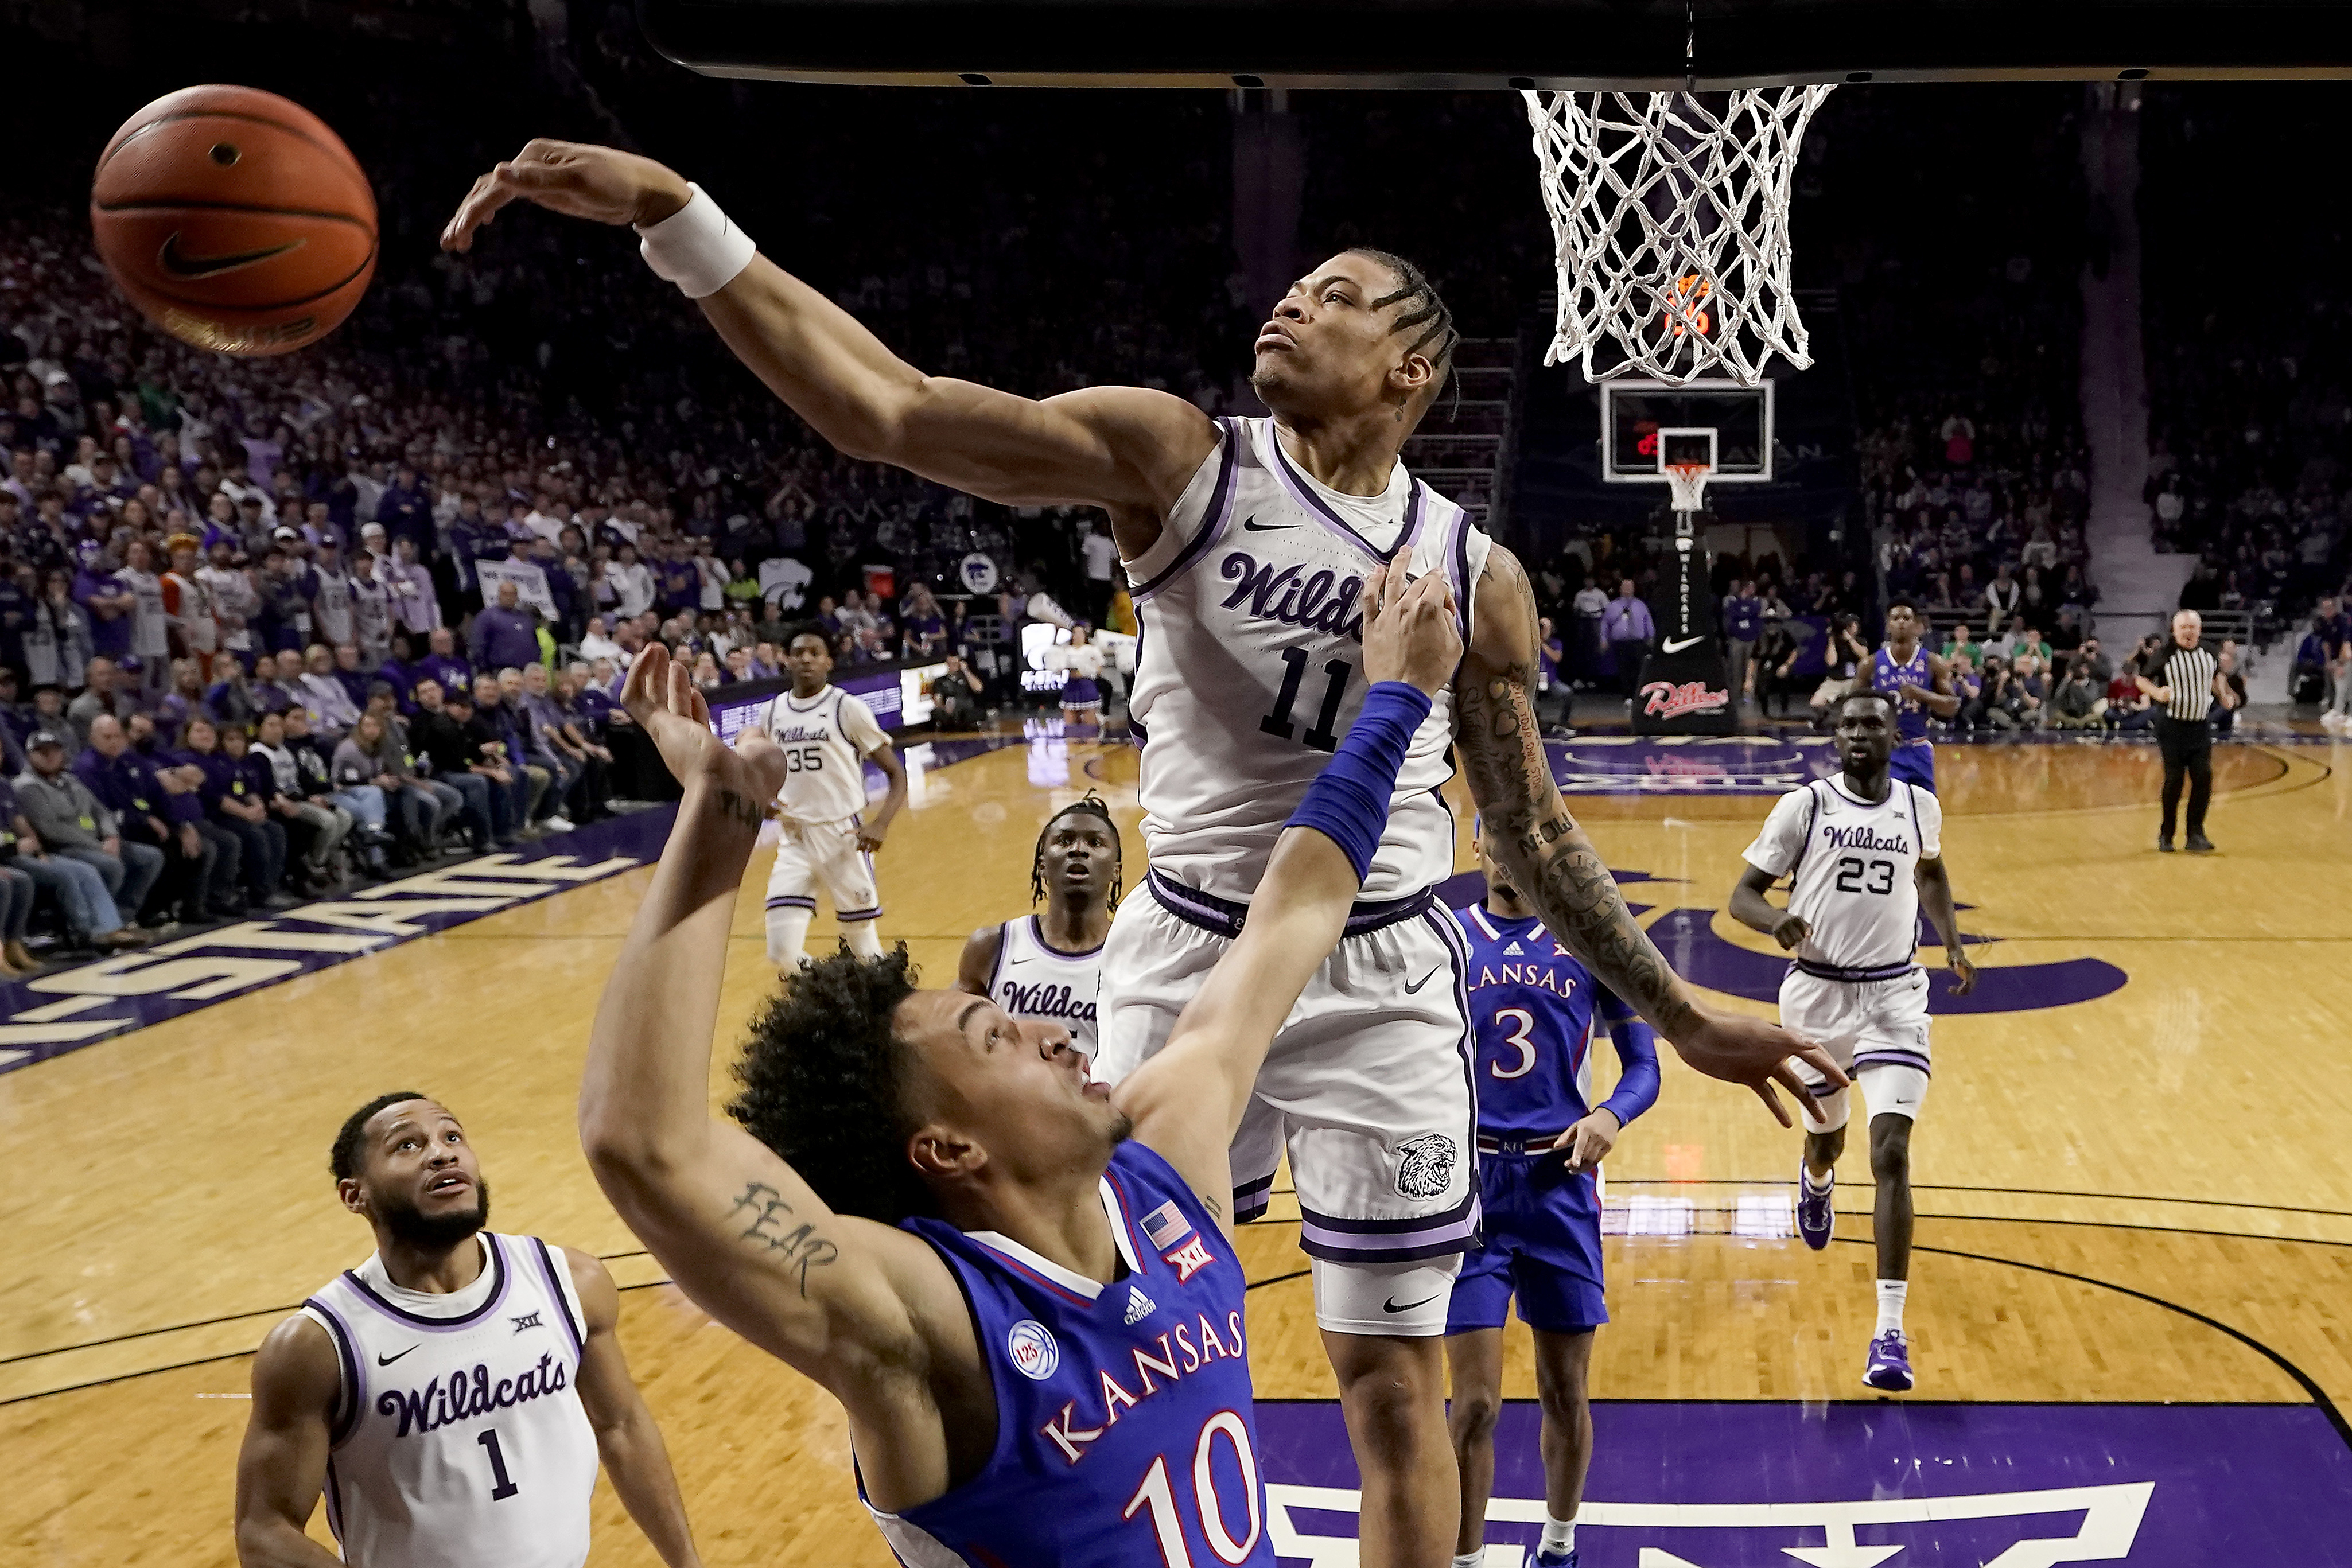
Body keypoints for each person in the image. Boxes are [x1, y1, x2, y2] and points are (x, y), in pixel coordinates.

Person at [447, 148, 1830, 1565]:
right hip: (1193, 958)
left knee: (1398, 1389)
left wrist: (1680, 1014)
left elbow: (1529, 833)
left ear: (1411, 370)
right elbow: (890, 409)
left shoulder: (1474, 574)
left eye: (1334, 298)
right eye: (1290, 288)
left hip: (1382, 964)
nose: (1287, 307)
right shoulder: (1180, 457)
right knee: (1102, 1332)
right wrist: (680, 222)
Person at [571, 570, 1457, 1567]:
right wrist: (721, 818)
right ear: (944, 1144)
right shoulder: (929, 1322)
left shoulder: (1164, 1165)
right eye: (995, 1036)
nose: (1048, 1031)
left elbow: (1290, 912)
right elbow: (640, 1139)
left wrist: (1398, 698)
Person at [232, 1094, 703, 1568]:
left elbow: (621, 1428)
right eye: (408, 1145)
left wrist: (686, 1562)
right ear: (356, 1194)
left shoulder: (569, 1282)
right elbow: (264, 1530)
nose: (442, 1152)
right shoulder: (319, 1346)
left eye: (452, 1135)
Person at [1728, 690, 1975, 1393]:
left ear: (1894, 734)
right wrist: (1772, 920)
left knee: (1891, 1150)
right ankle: (1815, 1182)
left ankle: (1889, 1332)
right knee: (1826, 1139)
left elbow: (1930, 872)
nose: (1861, 734)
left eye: (1873, 723)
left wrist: (1953, 943)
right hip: (1816, 993)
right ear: (1835, 738)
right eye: (1849, 725)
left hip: (1896, 994)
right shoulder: (1804, 806)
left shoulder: (1918, 805)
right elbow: (1740, 894)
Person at [1444, 831, 1658, 1568]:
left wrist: (1608, 1116)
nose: (1507, 855)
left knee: (1564, 1391)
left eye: (1520, 841)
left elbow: (1643, 1067)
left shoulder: (1588, 939)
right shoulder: (1443, 936)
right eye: (1494, 841)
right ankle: (1467, 1558)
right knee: (1472, 1405)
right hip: (1466, 1189)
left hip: (1558, 1186)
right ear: (1475, 848)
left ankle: (1558, 1546)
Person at [755, 625, 908, 966]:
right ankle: (834, 999)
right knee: (781, 952)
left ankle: (887, 1010)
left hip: (843, 837)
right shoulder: (772, 711)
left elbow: (897, 775)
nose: (806, 659)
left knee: (865, 952)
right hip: (794, 837)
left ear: (828, 662)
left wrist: (881, 824)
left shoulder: (847, 708)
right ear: (786, 661)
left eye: (814, 653)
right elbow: (765, 768)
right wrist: (763, 797)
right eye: (798, 653)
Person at [956, 794, 1122, 1059]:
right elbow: (957, 1041)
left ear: (1116, 870)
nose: (1078, 849)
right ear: (1042, 866)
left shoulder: (1134, 952)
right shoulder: (992, 946)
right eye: (1064, 840)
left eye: (1095, 842)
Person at [13, 727, 164, 943]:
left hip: (96, 842)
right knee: (108, 866)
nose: (49, 756)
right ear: (30, 755)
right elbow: (52, 830)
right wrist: (97, 845)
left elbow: (100, 811)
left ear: (63, 753)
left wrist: (111, 836)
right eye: (42, 752)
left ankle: (121, 918)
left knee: (150, 857)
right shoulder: (27, 787)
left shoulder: (70, 779)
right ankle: (100, 928)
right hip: (64, 848)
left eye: (54, 750)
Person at [2137, 609, 2236, 853]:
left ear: (2199, 630)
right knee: (2174, 780)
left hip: (2200, 726)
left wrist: (2223, 694)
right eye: (2183, 628)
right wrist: (2157, 693)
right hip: (2171, 726)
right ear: (2175, 630)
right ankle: (2166, 834)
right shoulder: (2165, 654)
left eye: (2192, 628)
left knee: (2203, 778)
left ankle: (2196, 834)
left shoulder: (2210, 652)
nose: (2188, 632)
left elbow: (2217, 677)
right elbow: (2142, 680)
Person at [1869, 596, 1957, 792]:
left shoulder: (1933, 662)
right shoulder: (1871, 664)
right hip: (1886, 750)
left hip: (1919, 748)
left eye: (1906, 618)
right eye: (1896, 618)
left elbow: (1952, 707)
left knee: (1926, 814)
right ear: (1888, 625)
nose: (1901, 622)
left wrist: (1922, 694)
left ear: (1917, 625)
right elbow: (1852, 710)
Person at [1808, 614, 1871, 724]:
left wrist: (1850, 640)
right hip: (1835, 680)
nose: (1853, 627)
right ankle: (1827, 716)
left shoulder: (1861, 641)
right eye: (1850, 625)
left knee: (1859, 705)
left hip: (1854, 681)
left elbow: (1864, 656)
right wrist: (1832, 639)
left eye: (1855, 625)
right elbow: (1831, 662)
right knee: (1816, 703)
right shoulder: (1835, 642)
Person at [1600, 578, 1654, 701]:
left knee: (1638, 669)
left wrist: (1651, 636)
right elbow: (1605, 623)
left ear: (1634, 589)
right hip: (1620, 643)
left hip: (1637, 642)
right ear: (1620, 589)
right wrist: (1604, 639)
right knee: (1624, 669)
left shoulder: (1640, 605)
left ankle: (1638, 694)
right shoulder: (1613, 606)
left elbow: (1648, 621)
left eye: (1630, 587)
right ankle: (1627, 695)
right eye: (1625, 587)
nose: (1628, 589)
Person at [1049, 623, 1110, 731]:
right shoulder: (1066, 650)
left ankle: (1095, 737)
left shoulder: (1092, 650)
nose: (1078, 636)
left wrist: (1088, 671)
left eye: (1081, 633)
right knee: (1070, 726)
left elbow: (1099, 668)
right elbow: (1057, 663)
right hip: (1071, 687)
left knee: (1090, 726)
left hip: (1087, 686)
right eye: (1075, 633)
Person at [927, 653, 986, 729]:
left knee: (976, 712)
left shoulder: (966, 677)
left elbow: (979, 689)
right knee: (936, 713)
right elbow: (938, 699)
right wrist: (944, 708)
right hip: (949, 710)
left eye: (956, 664)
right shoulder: (940, 681)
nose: (954, 666)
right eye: (951, 664)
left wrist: (966, 670)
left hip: (965, 708)